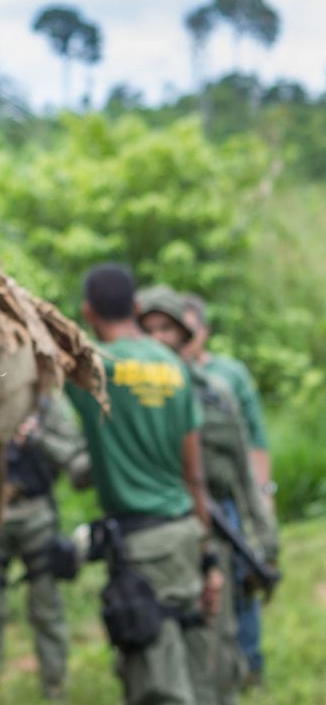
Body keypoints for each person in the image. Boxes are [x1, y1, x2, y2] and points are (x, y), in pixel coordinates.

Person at [64, 264, 221, 705]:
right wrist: (208, 556)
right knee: (191, 663)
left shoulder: (92, 368)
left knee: (156, 684)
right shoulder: (174, 365)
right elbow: (195, 474)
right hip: (185, 535)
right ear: (136, 307)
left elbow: (44, 348)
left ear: (89, 311)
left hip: (140, 548)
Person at [138, 286, 276, 704]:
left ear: (186, 334)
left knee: (219, 640)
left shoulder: (217, 393)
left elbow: (243, 473)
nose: (160, 337)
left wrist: (265, 535)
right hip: (157, 533)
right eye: (150, 329)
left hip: (214, 525)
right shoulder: (133, 396)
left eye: (169, 328)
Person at [0, 394, 91, 701]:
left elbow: (75, 459)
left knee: (47, 609)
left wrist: (37, 438)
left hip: (36, 514)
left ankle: (55, 690)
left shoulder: (48, 404)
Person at [178, 293, 277, 687]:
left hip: (225, 498)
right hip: (186, 506)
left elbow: (253, 438)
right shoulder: (168, 373)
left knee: (243, 579)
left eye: (189, 329)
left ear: (203, 331)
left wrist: (262, 496)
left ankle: (249, 664)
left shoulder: (228, 375)